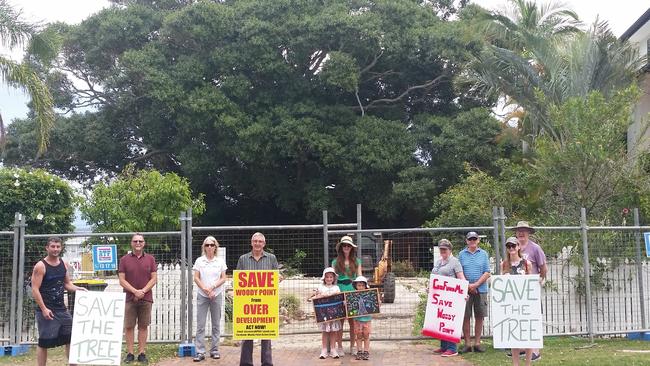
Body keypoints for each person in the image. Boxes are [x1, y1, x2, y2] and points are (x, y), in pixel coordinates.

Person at [31, 237, 87, 366]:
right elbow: (35, 289)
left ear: (61, 248)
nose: (55, 249)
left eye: (58, 246)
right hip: (46, 310)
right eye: (53, 246)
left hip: (62, 309)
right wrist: (44, 309)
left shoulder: (64, 264)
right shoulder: (40, 266)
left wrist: (78, 289)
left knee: (71, 338)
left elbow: (67, 284)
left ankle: (73, 364)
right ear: (47, 248)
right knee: (44, 342)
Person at [236, 232, 282, 366]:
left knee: (266, 332)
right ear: (251, 243)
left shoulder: (271, 258)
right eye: (255, 241)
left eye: (260, 241)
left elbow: (276, 277)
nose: (257, 244)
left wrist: (278, 278)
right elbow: (238, 279)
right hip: (248, 302)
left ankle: (267, 363)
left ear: (264, 244)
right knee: (247, 332)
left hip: (266, 301)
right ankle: (245, 363)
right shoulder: (243, 259)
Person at [118, 234, 158, 364]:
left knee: (143, 326)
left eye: (140, 241)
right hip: (129, 298)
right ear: (131, 243)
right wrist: (135, 291)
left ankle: (142, 353)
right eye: (135, 241)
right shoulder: (124, 260)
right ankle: (130, 353)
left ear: (144, 243)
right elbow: (121, 280)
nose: (138, 243)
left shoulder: (150, 259)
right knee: (129, 326)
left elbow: (154, 279)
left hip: (146, 298)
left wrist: (143, 291)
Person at [514, 221, 546, 361]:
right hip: (516, 291)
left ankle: (535, 351)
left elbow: (543, 266)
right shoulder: (513, 247)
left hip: (531, 290)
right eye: (519, 230)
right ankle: (521, 348)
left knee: (533, 318)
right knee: (519, 318)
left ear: (528, 233)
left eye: (524, 230)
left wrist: (541, 279)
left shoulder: (535, 248)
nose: (521, 233)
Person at [192, 236, 228, 362]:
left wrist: (212, 288)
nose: (209, 247)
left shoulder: (220, 261)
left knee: (216, 324)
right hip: (203, 295)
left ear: (215, 247)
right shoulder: (199, 261)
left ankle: (214, 350)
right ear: (204, 247)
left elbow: (224, 278)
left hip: (216, 294)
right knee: (200, 325)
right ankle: (200, 351)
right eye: (207, 245)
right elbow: (196, 277)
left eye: (211, 245)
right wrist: (206, 290)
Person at [431, 239, 466, 357]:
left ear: (450, 250)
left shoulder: (455, 262)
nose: (442, 251)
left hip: (451, 297)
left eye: (445, 249)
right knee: (442, 320)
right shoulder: (438, 262)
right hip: (440, 296)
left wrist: (464, 292)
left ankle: (452, 348)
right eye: (441, 249)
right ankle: (444, 346)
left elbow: (461, 277)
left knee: (450, 321)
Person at [501, 236, 534, 366]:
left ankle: (528, 363)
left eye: (513, 246)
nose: (511, 248)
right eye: (508, 246)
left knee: (527, 334)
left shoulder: (526, 264)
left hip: (525, 303)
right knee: (513, 334)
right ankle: (516, 364)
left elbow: (531, 282)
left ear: (518, 247)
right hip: (511, 304)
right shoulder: (504, 264)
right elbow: (501, 283)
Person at [458, 231, 491, 354]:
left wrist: (476, 285)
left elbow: (487, 272)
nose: (472, 241)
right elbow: (459, 271)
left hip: (481, 289)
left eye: (474, 239)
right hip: (465, 290)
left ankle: (477, 343)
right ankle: (467, 343)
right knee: (465, 316)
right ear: (466, 241)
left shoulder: (484, 254)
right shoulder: (461, 254)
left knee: (479, 316)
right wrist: (468, 286)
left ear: (478, 240)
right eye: (470, 239)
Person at [331, 235, 362, 356]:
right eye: (344, 245)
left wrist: (364, 288)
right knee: (340, 321)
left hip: (352, 290)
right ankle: (339, 346)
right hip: (339, 290)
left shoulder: (357, 261)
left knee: (353, 321)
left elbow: (359, 277)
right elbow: (332, 279)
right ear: (341, 247)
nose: (346, 247)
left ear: (352, 248)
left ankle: (353, 346)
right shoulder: (335, 262)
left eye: (348, 245)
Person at [311, 267, 342, 359]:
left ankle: (333, 349)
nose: (329, 279)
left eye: (331, 277)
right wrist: (320, 295)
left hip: (334, 314)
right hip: (324, 315)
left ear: (334, 278)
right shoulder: (320, 287)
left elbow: (339, 298)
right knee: (324, 332)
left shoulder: (336, 288)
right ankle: (324, 349)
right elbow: (315, 298)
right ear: (324, 278)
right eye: (327, 277)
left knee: (333, 331)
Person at [351, 276, 372, 361]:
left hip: (367, 320)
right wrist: (346, 303)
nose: (360, 287)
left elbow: (374, 304)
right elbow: (350, 305)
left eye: (362, 285)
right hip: (357, 320)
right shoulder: (353, 295)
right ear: (356, 286)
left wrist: (378, 302)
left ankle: (366, 351)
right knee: (358, 335)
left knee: (366, 335)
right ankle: (359, 351)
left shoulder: (369, 295)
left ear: (365, 286)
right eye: (359, 285)